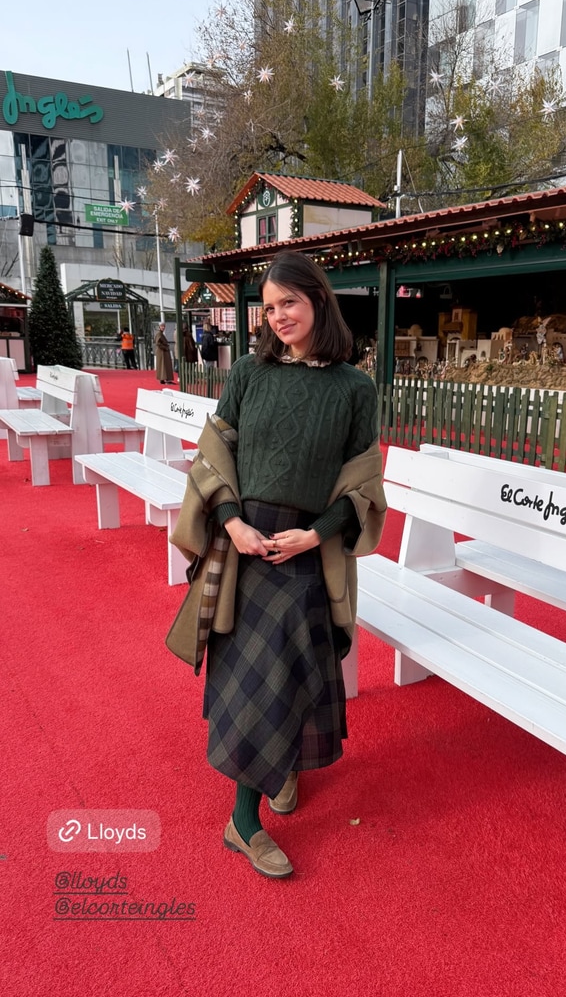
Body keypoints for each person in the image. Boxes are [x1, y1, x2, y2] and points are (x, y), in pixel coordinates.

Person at [168, 251, 386, 879]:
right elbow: (213, 459)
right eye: (268, 307)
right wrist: (232, 522)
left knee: (298, 665)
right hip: (244, 545)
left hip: (306, 548)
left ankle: (281, 763)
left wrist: (314, 536)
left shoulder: (355, 388)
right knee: (255, 674)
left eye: (289, 301)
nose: (279, 316)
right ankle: (243, 821)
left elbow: (363, 488)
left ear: (318, 299)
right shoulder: (247, 373)